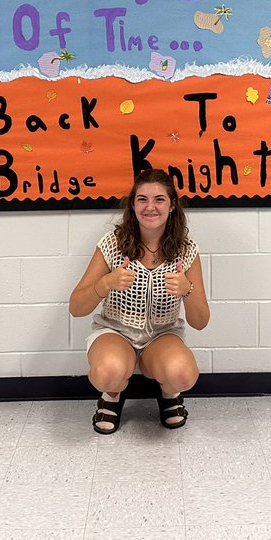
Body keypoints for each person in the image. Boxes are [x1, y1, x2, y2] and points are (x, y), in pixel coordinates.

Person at [69, 169, 210, 434]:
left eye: (159, 199)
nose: (150, 207)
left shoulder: (186, 249)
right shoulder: (113, 244)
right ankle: (111, 395)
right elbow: (76, 307)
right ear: (132, 205)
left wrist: (187, 289)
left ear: (172, 205)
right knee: (107, 373)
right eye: (142, 199)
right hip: (115, 332)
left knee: (183, 375)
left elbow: (200, 321)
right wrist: (106, 283)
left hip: (162, 335)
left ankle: (169, 393)